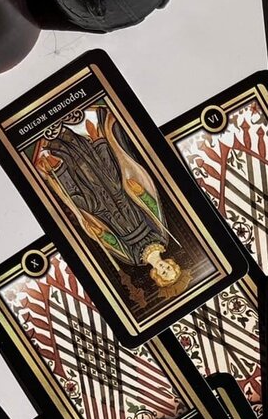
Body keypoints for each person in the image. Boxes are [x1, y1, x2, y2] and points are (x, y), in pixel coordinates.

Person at [39, 110, 184, 292]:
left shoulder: (134, 259)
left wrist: (100, 233)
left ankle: (54, 158)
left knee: (83, 199)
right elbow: (155, 211)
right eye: (169, 269)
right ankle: (81, 136)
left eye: (164, 273)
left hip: (106, 216)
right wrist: (141, 193)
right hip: (124, 202)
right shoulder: (162, 239)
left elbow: (115, 244)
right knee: (104, 173)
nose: (165, 269)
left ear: (155, 275)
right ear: (171, 263)